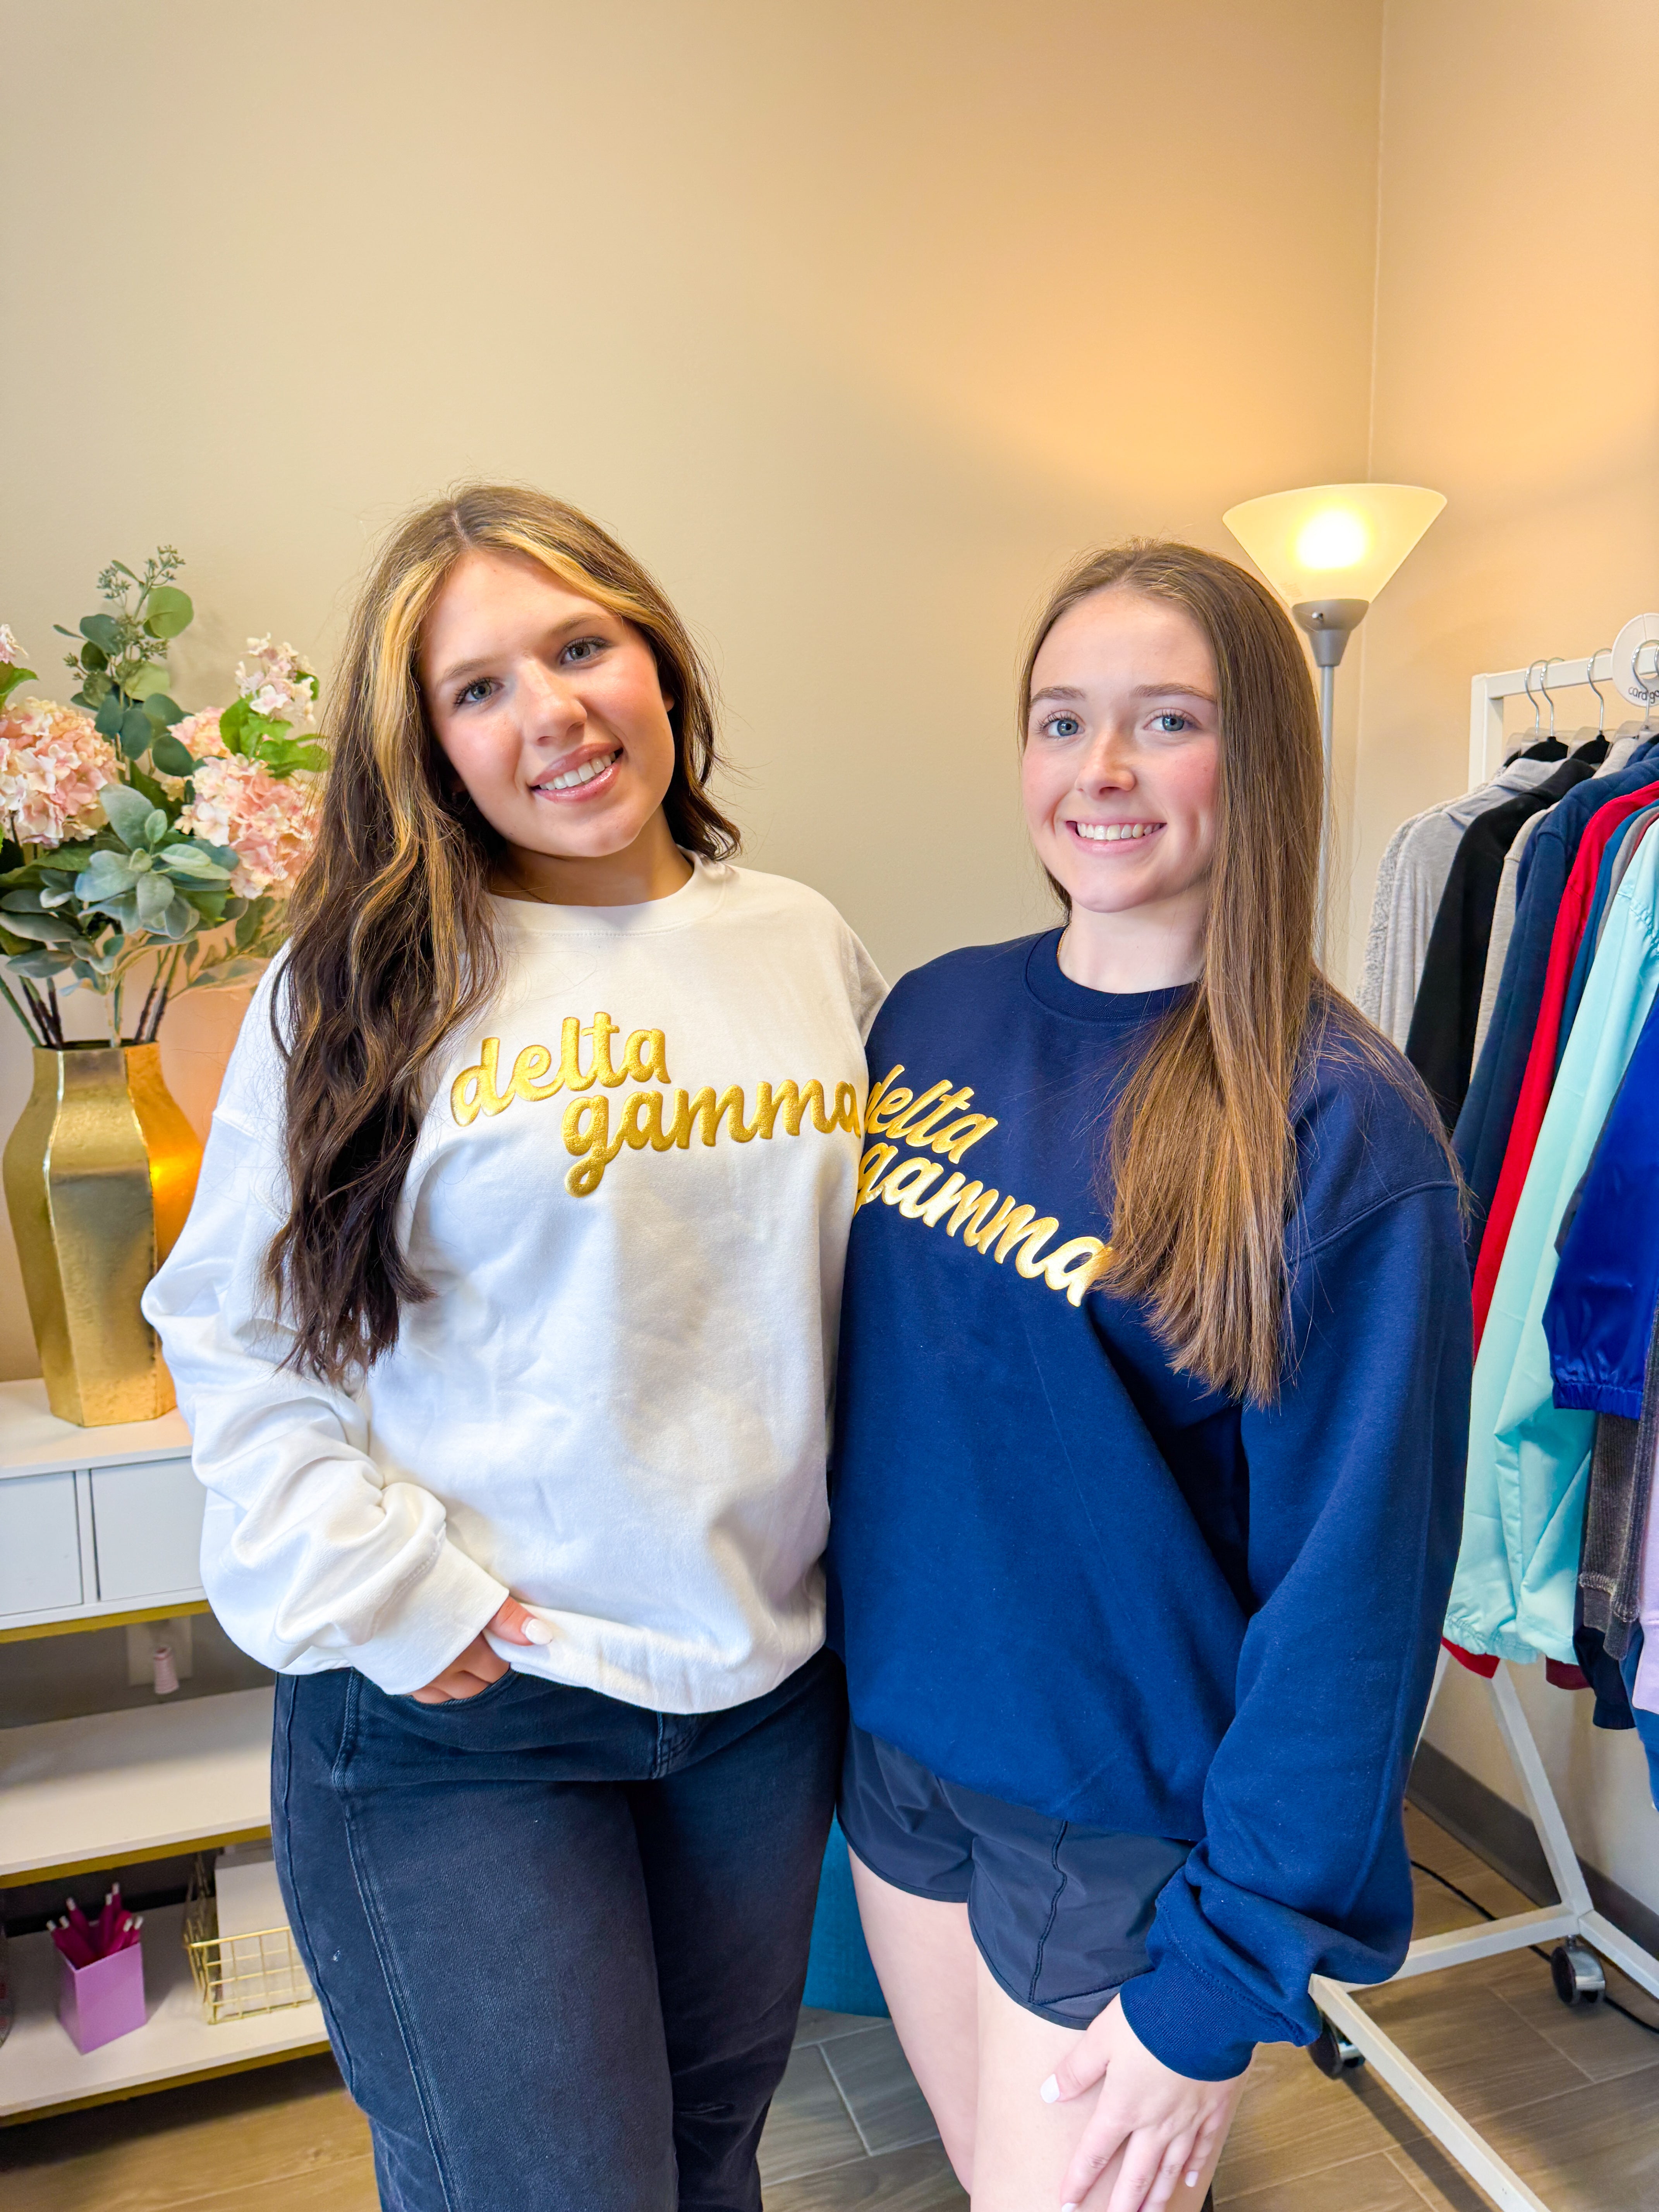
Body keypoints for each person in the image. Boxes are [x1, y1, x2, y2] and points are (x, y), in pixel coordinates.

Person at [144, 485, 884, 2212]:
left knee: (709, 2157)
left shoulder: (800, 944)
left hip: (756, 1694)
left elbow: (862, 1300)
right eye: (478, 688)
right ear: (429, 747)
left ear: (657, 663)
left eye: (580, 647)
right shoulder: (357, 986)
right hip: (470, 1712)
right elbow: (231, 1327)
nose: (550, 711)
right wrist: (397, 1591)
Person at [824, 541, 1470, 2212]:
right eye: (1062, 721)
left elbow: (1355, 1603)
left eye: (1166, 721)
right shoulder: (930, 1020)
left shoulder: (1338, 1126)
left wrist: (1224, 1978)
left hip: (1116, 1821)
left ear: (1259, 758)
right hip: (905, 1768)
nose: (1100, 769)